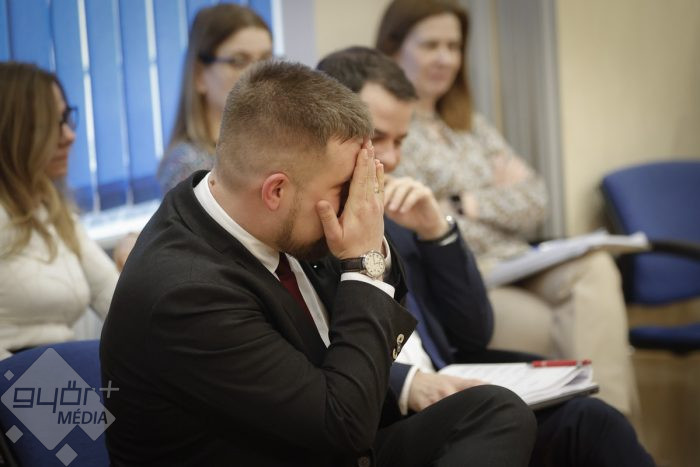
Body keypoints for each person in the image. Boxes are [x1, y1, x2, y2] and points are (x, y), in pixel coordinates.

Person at [100, 61, 536, 466]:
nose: (357, 202)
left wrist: (373, 260)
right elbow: (341, 427)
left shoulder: (277, 216)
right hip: (310, 443)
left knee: (496, 411)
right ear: (276, 191)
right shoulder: (186, 293)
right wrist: (363, 264)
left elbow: (365, 344)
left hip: (324, 432)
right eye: (345, 187)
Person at [317, 45, 655, 467]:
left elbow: (474, 330)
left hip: (449, 384)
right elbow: (311, 353)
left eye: (400, 141)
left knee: (592, 419)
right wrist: (407, 383)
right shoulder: (311, 227)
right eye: (376, 138)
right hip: (383, 415)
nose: (392, 158)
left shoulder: (398, 216)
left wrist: (437, 232)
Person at [375, 0, 638, 415]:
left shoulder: (471, 124)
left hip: (518, 259)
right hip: (471, 273)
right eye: (430, 45)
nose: (445, 58)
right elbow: (417, 223)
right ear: (393, 49)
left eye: (453, 46)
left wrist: (461, 202)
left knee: (598, 267)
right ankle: (605, 425)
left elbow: (536, 200)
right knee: (573, 324)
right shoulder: (390, 132)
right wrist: (490, 204)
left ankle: (609, 421)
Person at [0, 62, 119, 359]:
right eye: (49, 125)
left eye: (65, 119)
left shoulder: (51, 210)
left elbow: (117, 298)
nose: (69, 136)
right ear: (11, 132)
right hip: (16, 374)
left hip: (56, 369)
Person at [157, 3, 273, 193]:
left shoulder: (269, 147)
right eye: (238, 61)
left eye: (266, 60)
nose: (259, 73)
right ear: (199, 75)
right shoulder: (189, 167)